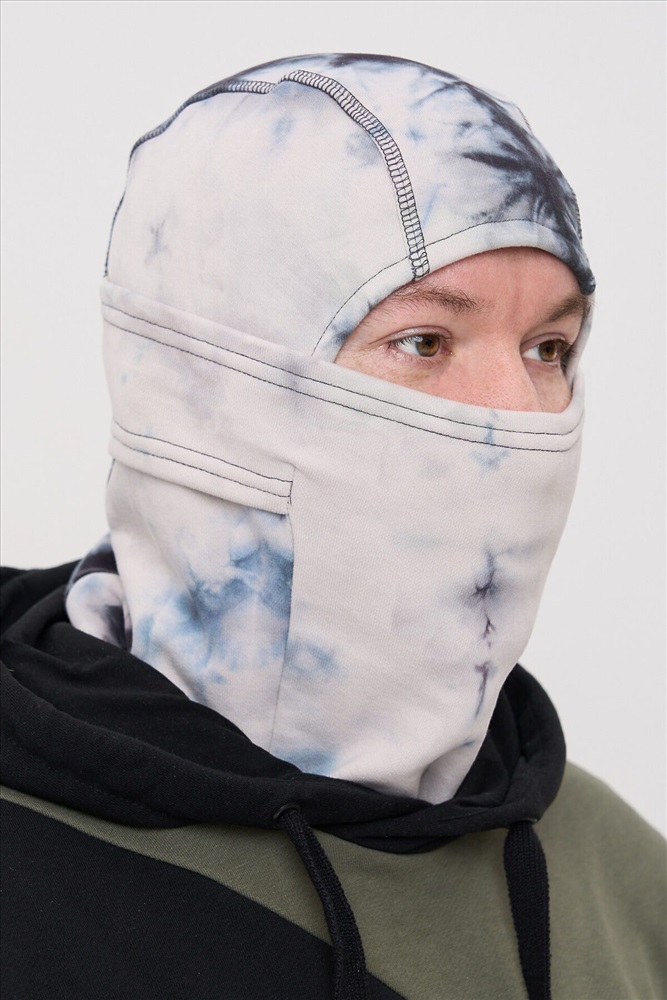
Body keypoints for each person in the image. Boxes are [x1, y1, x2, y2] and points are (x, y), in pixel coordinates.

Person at [1, 53, 664, 1000]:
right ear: (202, 389)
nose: (516, 414)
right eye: (423, 341)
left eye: (547, 347)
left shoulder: (611, 874)